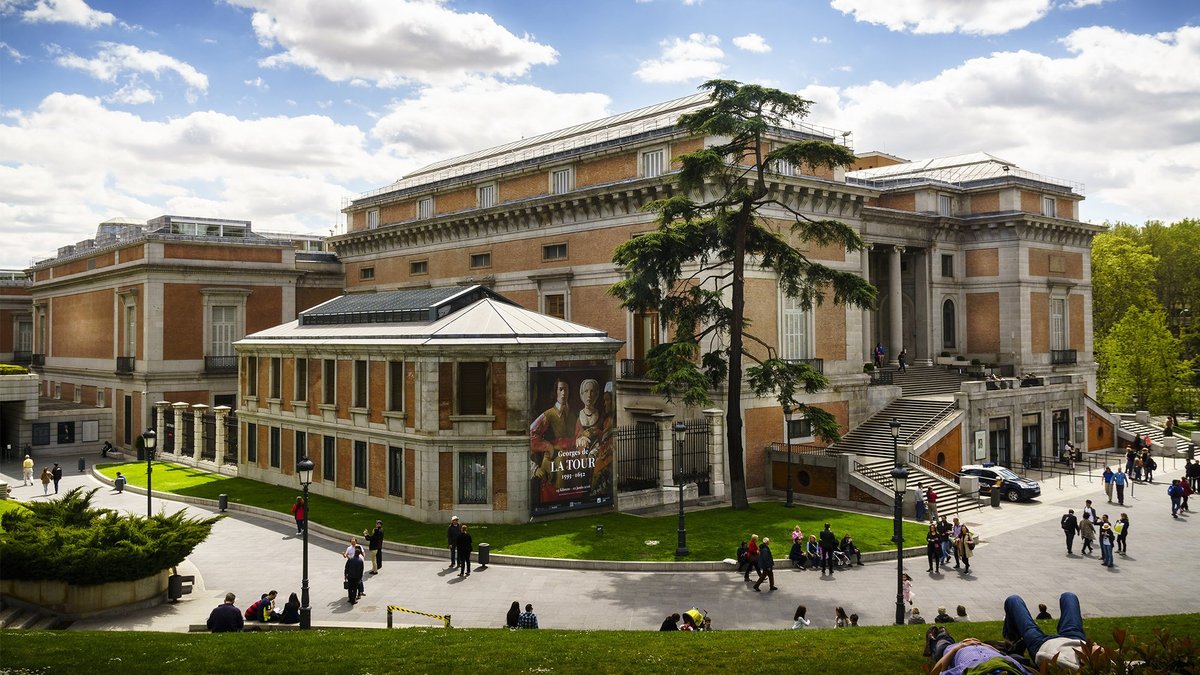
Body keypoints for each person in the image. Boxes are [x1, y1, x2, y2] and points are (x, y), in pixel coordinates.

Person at [1003, 592, 1095, 671]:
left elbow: (1042, 658)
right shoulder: (1105, 666)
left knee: (1013, 600)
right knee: (1069, 596)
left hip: (1041, 644)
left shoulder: (1068, 666)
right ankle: (1013, 642)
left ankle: (1012, 642)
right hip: (1074, 639)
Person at [529, 377, 576, 503]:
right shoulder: (549, 414)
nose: (563, 393)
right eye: (560, 389)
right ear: (555, 392)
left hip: (571, 457)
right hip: (554, 459)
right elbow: (531, 434)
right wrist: (548, 447)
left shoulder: (571, 414)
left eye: (566, 389)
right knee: (557, 492)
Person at [926, 627, 1032, 675]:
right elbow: (1001, 654)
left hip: (954, 651)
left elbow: (936, 671)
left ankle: (936, 638)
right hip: (983, 647)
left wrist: (957, 648)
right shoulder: (1011, 668)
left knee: (941, 645)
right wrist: (983, 644)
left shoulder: (967, 670)